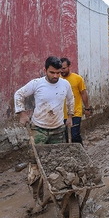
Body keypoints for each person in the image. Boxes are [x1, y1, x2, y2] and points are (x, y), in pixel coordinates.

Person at [14, 56, 74, 210]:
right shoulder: (36, 84)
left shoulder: (65, 84)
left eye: (58, 73)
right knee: (35, 167)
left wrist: (70, 117)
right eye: (52, 72)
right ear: (45, 70)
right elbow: (18, 95)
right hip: (38, 130)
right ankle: (38, 200)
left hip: (58, 130)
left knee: (58, 165)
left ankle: (60, 195)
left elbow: (70, 99)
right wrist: (22, 113)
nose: (55, 76)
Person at [61, 57, 92, 145]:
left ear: (69, 67)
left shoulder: (78, 79)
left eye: (64, 68)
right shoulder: (57, 79)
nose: (62, 71)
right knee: (66, 136)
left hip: (75, 112)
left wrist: (87, 108)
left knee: (74, 135)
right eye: (60, 68)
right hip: (61, 114)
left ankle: (80, 151)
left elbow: (83, 93)